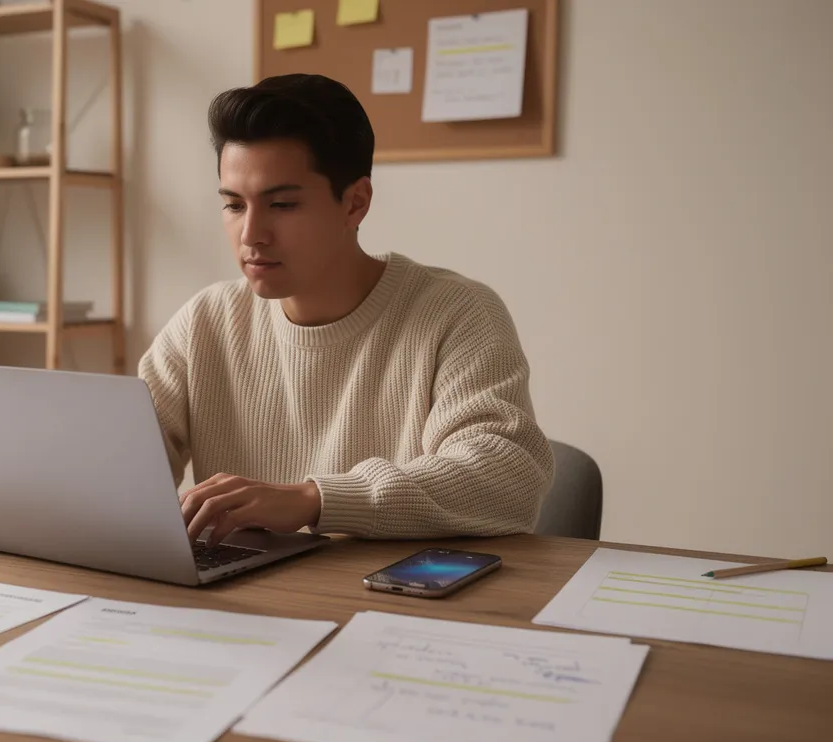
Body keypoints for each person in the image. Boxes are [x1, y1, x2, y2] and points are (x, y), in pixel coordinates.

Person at [138, 73, 554, 547]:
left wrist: (316, 499)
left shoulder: (457, 313)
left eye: (282, 204)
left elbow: (509, 476)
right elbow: (120, 467)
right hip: (243, 602)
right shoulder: (205, 321)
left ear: (355, 203)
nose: (251, 233)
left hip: (394, 604)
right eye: (234, 205)